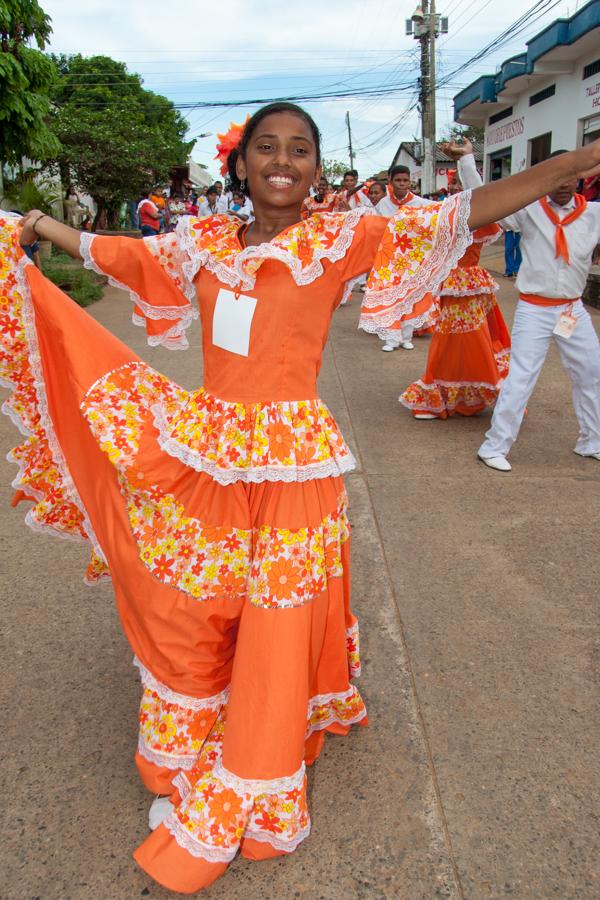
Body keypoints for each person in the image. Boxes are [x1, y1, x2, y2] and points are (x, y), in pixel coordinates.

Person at [3, 102, 599, 893]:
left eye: (300, 150)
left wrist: (570, 162)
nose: (284, 160)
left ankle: (254, 765)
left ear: (316, 169)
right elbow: (120, 252)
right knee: (194, 600)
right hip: (207, 452)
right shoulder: (201, 244)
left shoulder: (338, 239)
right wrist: (38, 225)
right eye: (267, 148)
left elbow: (461, 211)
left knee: (278, 622)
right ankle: (200, 717)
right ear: (240, 165)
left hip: (292, 465)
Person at [469, 150, 600, 471]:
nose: (564, 184)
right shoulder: (529, 211)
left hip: (572, 311)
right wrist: (466, 162)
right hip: (534, 309)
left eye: (570, 176)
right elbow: (486, 202)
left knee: (590, 373)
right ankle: (494, 446)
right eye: (557, 176)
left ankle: (592, 440)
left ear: (579, 177)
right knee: (522, 377)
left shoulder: (592, 214)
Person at [400, 141, 511, 420]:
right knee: (449, 342)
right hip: (448, 286)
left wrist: (467, 165)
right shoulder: (440, 216)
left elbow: (485, 195)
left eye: (459, 187)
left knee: (475, 340)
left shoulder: (481, 216)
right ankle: (445, 390)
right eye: (452, 188)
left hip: (471, 286)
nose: (455, 191)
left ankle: (484, 387)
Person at [375, 165, 431, 351]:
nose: (402, 184)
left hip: (412, 258)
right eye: (398, 180)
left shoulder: (420, 203)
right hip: (389, 258)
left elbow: (430, 224)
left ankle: (406, 337)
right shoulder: (383, 204)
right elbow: (376, 228)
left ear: (410, 182)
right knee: (391, 299)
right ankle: (391, 339)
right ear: (390, 182)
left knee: (409, 298)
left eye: (405, 180)